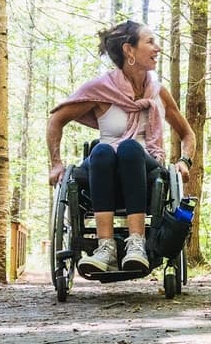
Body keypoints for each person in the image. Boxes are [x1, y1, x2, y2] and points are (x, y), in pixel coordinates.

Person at [47, 20, 196, 276]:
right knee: (102, 150)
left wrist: (185, 161)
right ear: (130, 51)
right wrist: (56, 163)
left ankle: (136, 244)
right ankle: (106, 248)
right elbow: (56, 120)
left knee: (128, 148)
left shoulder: (158, 93)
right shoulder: (100, 89)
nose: (157, 48)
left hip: (146, 169)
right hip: (103, 171)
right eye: (150, 42)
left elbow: (187, 134)